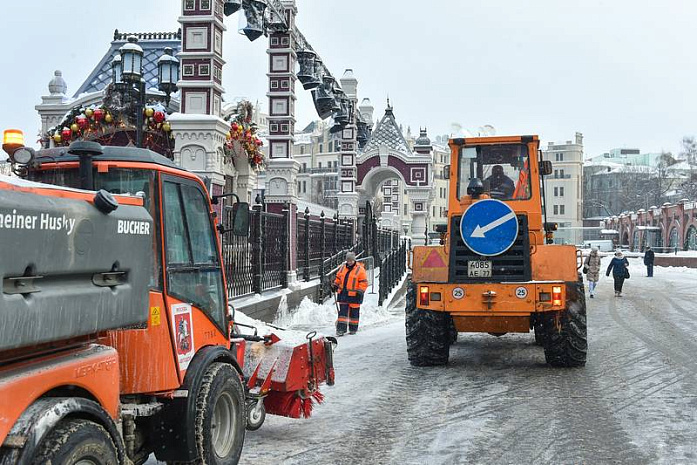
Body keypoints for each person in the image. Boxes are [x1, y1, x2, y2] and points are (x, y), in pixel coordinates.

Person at [331, 252, 369, 336]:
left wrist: (360, 290)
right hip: (343, 294)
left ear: (354, 260)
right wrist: (335, 285)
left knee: (354, 313)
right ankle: (341, 329)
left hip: (355, 295)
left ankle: (353, 328)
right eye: (348, 260)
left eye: (351, 260)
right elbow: (338, 278)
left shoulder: (360, 269)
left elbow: (364, 282)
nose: (350, 262)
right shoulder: (342, 268)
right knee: (342, 314)